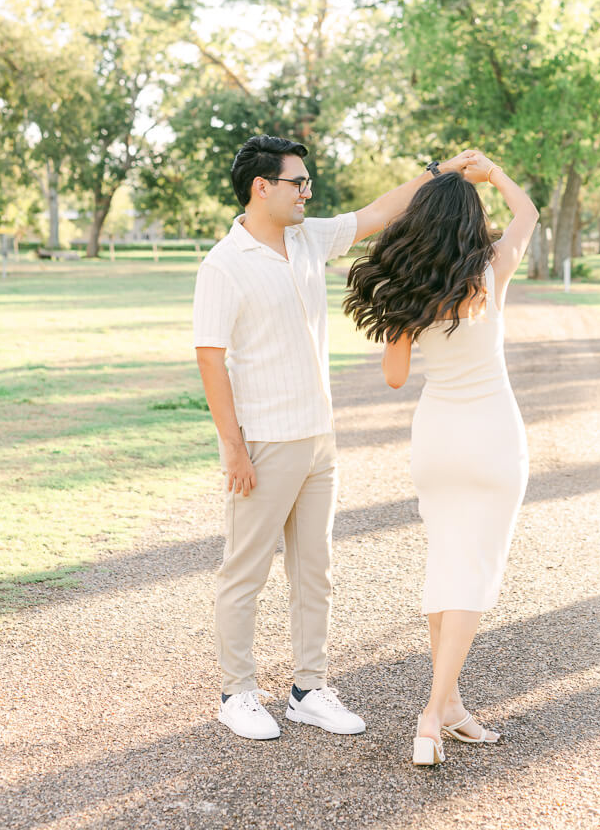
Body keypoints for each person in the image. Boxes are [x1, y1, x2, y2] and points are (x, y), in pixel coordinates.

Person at [193, 134, 476, 741]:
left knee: (314, 569)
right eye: (297, 182)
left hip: (319, 436)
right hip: (264, 442)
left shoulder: (307, 237)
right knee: (245, 571)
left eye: (308, 183)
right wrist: (234, 448)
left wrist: (441, 170)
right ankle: (236, 692)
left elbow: (381, 211)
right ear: (260, 187)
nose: (307, 192)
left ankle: (307, 688)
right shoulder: (223, 263)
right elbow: (211, 361)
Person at [343, 151, 538, 765]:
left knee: (446, 566)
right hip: (492, 438)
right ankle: (431, 716)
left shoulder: (413, 294)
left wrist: (407, 321)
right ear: (471, 222)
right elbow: (528, 213)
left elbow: (397, 377)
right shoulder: (492, 271)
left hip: (437, 439)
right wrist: (492, 174)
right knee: (473, 573)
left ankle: (451, 709)